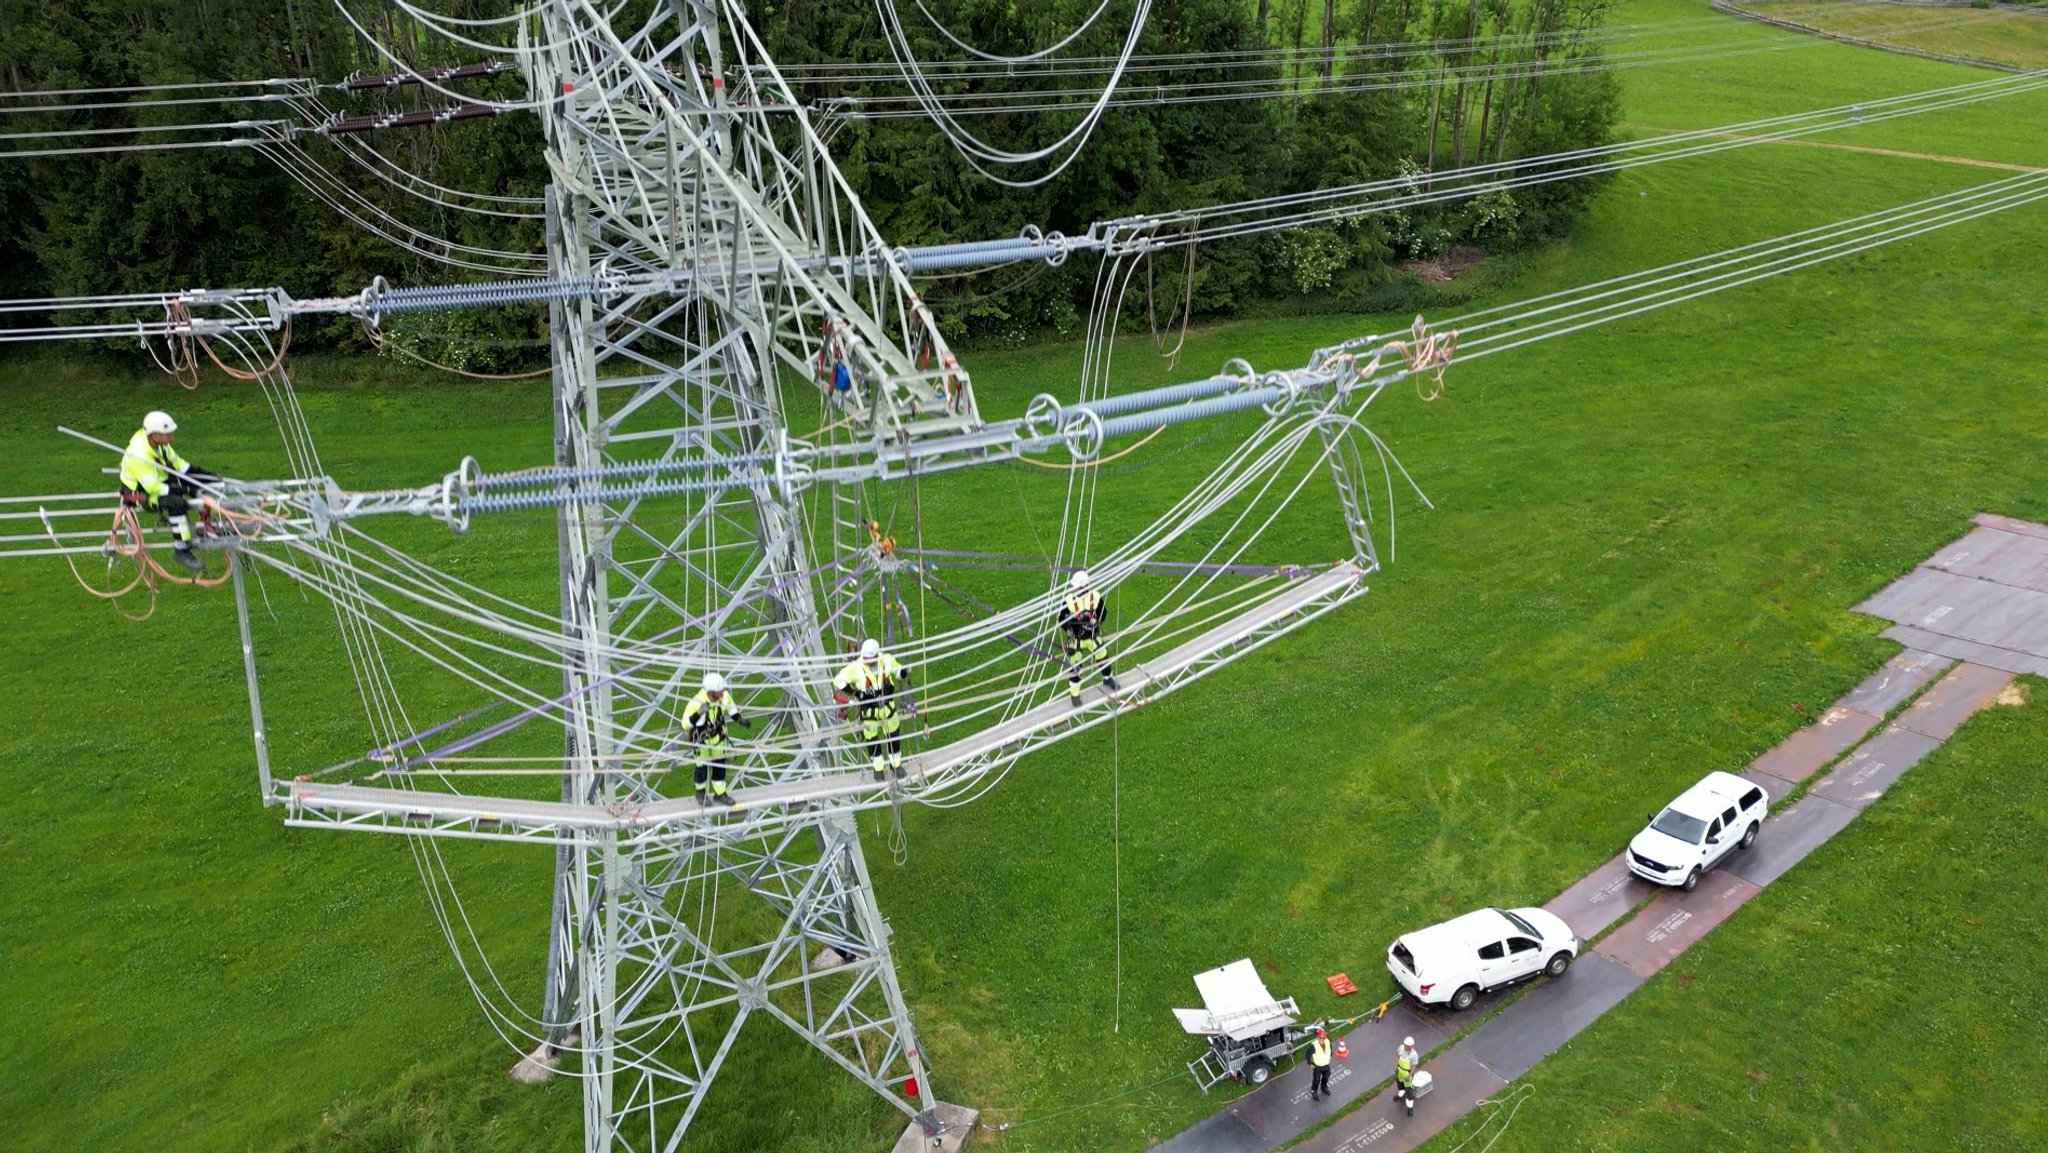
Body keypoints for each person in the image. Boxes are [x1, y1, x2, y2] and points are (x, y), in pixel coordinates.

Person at [119, 410, 218, 574]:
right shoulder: (139, 454)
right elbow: (153, 488)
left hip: (157, 484)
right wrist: (183, 489)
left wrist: (207, 477)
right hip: (139, 494)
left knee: (198, 487)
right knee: (176, 503)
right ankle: (181, 550)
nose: (172, 438)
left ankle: (208, 525)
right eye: (168, 434)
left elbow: (180, 466)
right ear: (155, 435)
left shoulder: (160, 445)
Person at [833, 638, 906, 781]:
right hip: (869, 712)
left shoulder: (886, 660)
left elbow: (897, 671)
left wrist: (903, 672)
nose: (867, 661)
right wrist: (855, 693)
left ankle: (896, 765)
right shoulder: (856, 667)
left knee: (893, 737)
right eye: (865, 658)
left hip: (887, 708)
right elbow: (838, 680)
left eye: (870, 659)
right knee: (872, 740)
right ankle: (878, 769)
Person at [681, 672, 750, 805]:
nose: (723, 692)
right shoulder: (696, 702)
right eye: (720, 691)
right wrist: (698, 713)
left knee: (719, 765)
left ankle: (720, 793)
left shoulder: (724, 697)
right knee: (702, 766)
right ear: (711, 692)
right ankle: (700, 793)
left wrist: (740, 720)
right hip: (702, 740)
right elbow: (685, 724)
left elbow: (731, 709)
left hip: (718, 737)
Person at [1057, 570, 1118, 708]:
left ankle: (1107, 679)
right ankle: (1075, 695)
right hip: (1076, 639)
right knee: (1076, 667)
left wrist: (1096, 621)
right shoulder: (1068, 601)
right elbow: (1061, 618)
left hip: (1092, 635)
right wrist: (1068, 628)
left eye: (1076, 587)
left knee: (1102, 657)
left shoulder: (1095, 597)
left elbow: (1103, 612)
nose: (1073, 590)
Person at [1395, 1036, 1421, 1115]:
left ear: (1412, 1046)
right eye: (1405, 1045)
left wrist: (1410, 1075)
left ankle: (1410, 1107)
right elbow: (1397, 1056)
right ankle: (1401, 1094)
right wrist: (1396, 1066)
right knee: (1399, 1084)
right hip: (1400, 1071)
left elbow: (1414, 1066)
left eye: (1408, 1046)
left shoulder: (1414, 1055)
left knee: (1409, 1090)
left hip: (1407, 1073)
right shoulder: (1400, 1048)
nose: (1406, 1047)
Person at [1308, 1026, 1333, 1101]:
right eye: (1320, 1037)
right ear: (1318, 1037)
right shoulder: (1314, 1045)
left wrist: (1330, 1056)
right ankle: (1314, 1091)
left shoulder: (1327, 1042)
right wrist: (1310, 1064)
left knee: (1326, 1076)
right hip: (1317, 1066)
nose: (1322, 1039)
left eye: (1323, 1037)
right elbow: (1307, 1055)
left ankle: (1324, 1087)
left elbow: (1330, 1049)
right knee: (1316, 1079)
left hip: (1325, 1064)